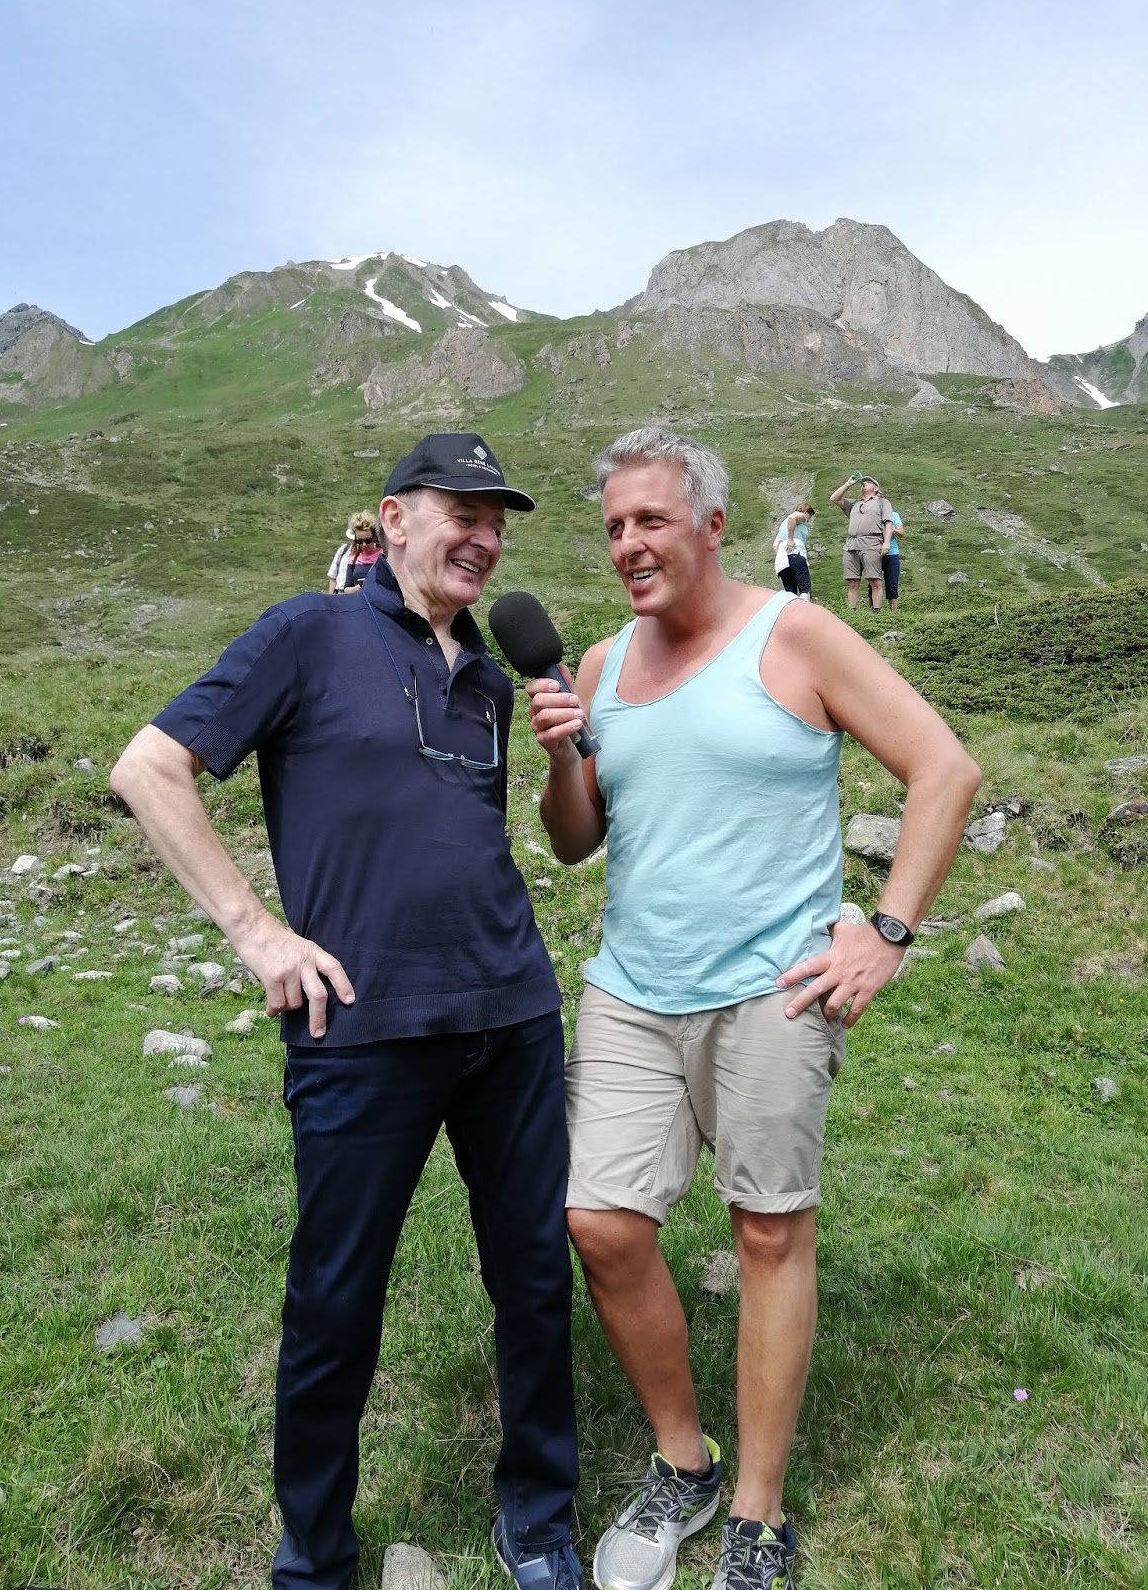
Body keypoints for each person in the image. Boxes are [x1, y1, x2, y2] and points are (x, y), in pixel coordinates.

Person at [110, 432, 581, 1590]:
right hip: (362, 1031)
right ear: (395, 517)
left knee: (532, 1279)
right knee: (335, 1302)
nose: (484, 537)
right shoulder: (305, 635)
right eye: (462, 511)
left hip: (512, 1014)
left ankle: (538, 1513)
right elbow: (148, 768)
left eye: (497, 522)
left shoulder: (491, 677)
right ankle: (315, 1557)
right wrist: (255, 931)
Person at [526, 427, 979, 1590]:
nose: (629, 544)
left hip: (774, 989)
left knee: (769, 1234)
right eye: (614, 527)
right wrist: (564, 759)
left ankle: (758, 1514)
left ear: (713, 525)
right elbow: (575, 843)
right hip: (632, 992)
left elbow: (944, 768)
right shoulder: (600, 663)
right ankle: (685, 1462)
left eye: (651, 520)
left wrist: (886, 932)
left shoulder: (797, 634)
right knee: (600, 1223)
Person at [829, 473, 892, 613]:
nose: (864, 483)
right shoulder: (854, 504)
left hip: (871, 543)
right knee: (852, 581)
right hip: (851, 544)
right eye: (863, 481)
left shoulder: (883, 503)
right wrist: (848, 484)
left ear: (876, 488)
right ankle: (852, 613)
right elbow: (834, 498)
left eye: (868, 482)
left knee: (875, 580)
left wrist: (886, 543)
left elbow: (888, 523)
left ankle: (876, 612)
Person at [327, 511, 383, 594]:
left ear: (374, 537)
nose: (364, 545)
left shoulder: (384, 555)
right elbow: (346, 586)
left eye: (367, 540)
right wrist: (355, 589)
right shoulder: (353, 558)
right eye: (359, 541)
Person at [771, 505, 814, 600]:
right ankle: (805, 607)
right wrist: (790, 539)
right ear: (806, 512)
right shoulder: (802, 517)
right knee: (804, 589)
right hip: (796, 554)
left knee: (790, 593)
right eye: (810, 517)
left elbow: (775, 545)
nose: (808, 520)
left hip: (782, 561)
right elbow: (792, 517)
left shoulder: (783, 525)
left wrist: (784, 555)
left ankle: (792, 608)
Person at [882, 505, 904, 612]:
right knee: (873, 583)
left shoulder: (894, 515)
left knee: (892, 585)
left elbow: (901, 533)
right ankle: (874, 613)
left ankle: (893, 614)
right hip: (874, 552)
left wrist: (891, 529)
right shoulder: (872, 515)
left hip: (892, 553)